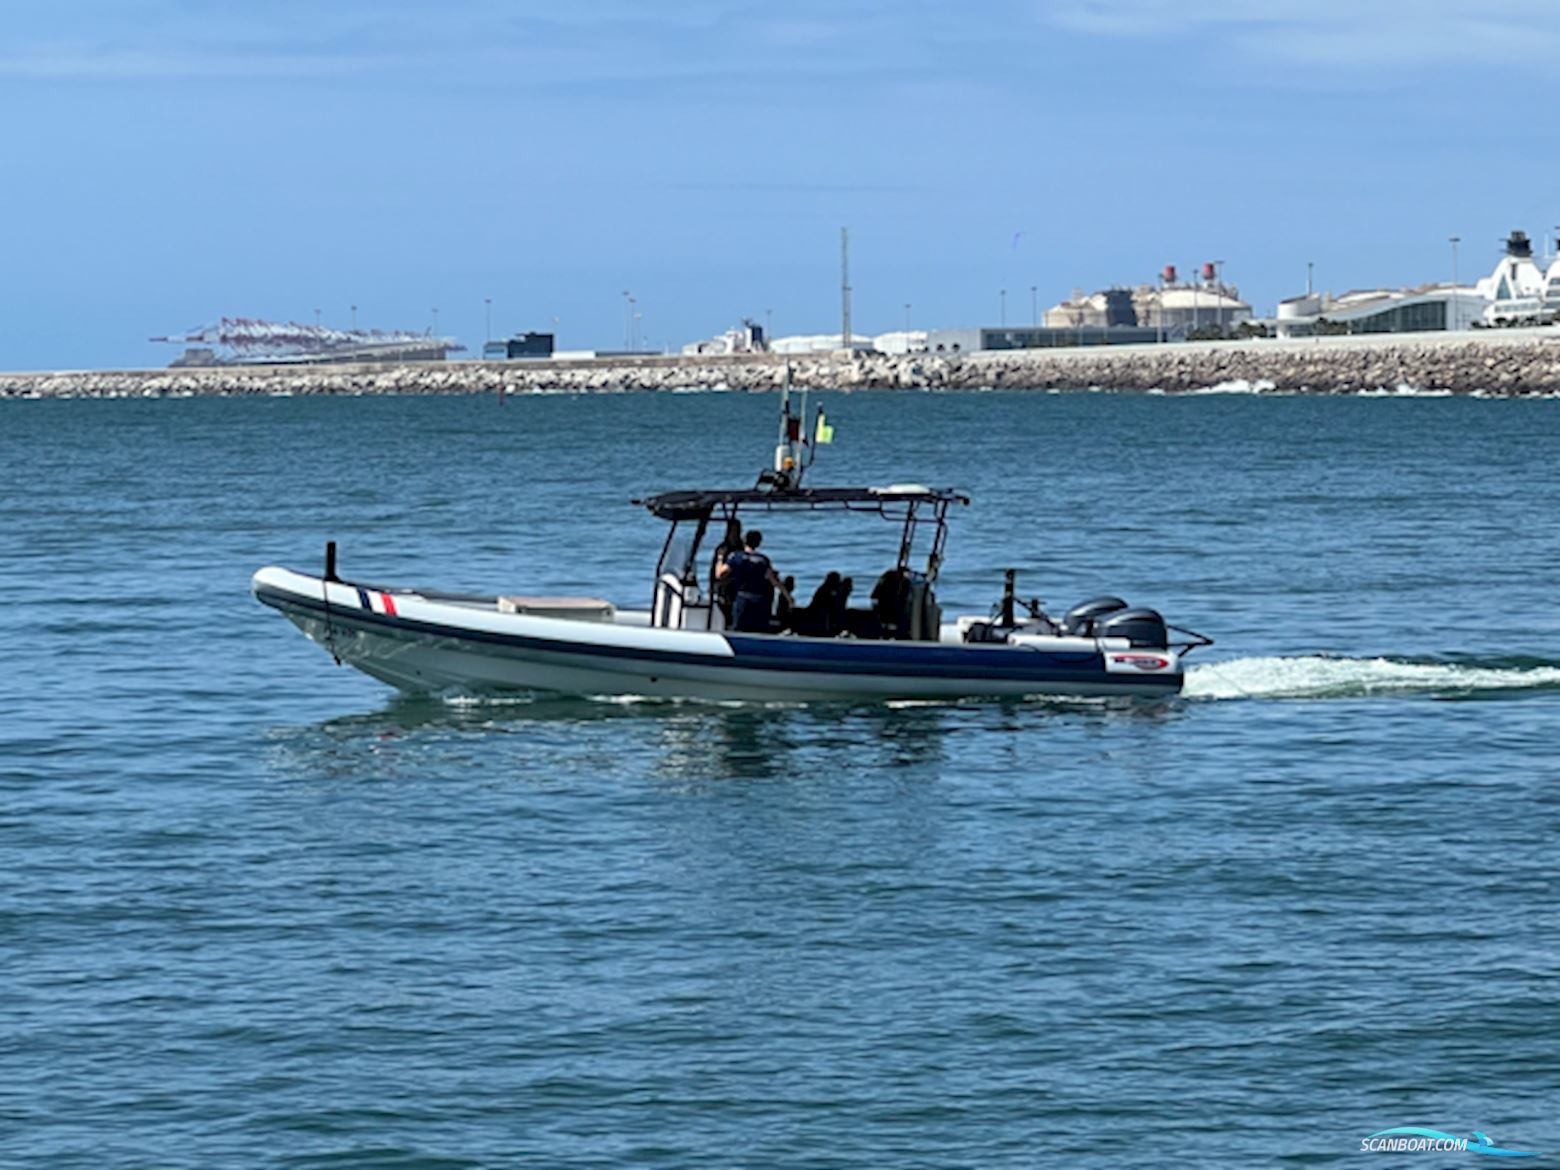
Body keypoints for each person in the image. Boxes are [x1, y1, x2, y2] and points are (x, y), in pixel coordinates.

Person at [717, 529, 787, 633]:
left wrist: (720, 559)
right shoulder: (763, 560)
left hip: (743, 598)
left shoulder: (736, 557)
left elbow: (720, 574)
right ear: (759, 543)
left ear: (744, 541)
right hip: (759, 600)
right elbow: (774, 580)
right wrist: (787, 596)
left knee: (739, 629)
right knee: (759, 630)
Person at [709, 518, 743, 621]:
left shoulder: (741, 547)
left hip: (737, 583)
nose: (734, 534)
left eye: (736, 531)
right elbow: (713, 570)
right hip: (723, 583)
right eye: (732, 531)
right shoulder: (722, 548)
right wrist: (712, 587)